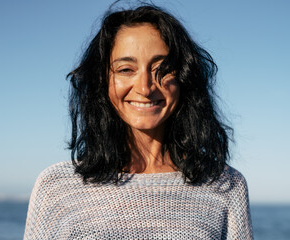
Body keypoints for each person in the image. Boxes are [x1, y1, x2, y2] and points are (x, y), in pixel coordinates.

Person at [24, 4, 253, 240]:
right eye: (125, 69)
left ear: (184, 78)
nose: (145, 87)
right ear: (102, 81)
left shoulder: (226, 185)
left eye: (162, 69)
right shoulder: (57, 188)